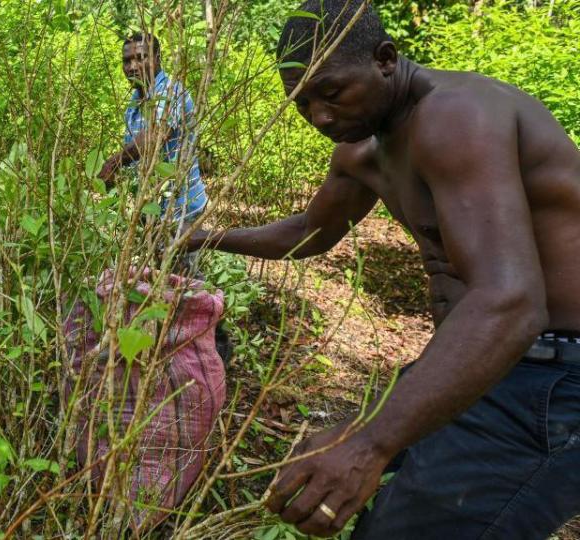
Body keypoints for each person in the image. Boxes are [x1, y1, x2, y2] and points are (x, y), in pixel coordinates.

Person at [187, 1, 580, 538]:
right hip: (489, 359)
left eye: (332, 92)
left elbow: (510, 301)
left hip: (553, 378)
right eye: (303, 105)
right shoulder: (363, 149)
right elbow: (308, 232)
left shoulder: (457, 115)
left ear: (386, 60)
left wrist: (370, 441)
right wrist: (200, 237)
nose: (321, 118)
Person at [99, 32, 208, 266]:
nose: (133, 67)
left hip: (180, 208)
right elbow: (139, 157)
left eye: (141, 58)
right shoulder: (135, 101)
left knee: (180, 281)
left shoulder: (170, 92)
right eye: (127, 61)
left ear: (157, 58)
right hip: (153, 208)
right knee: (157, 279)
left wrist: (114, 163)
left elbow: (155, 136)